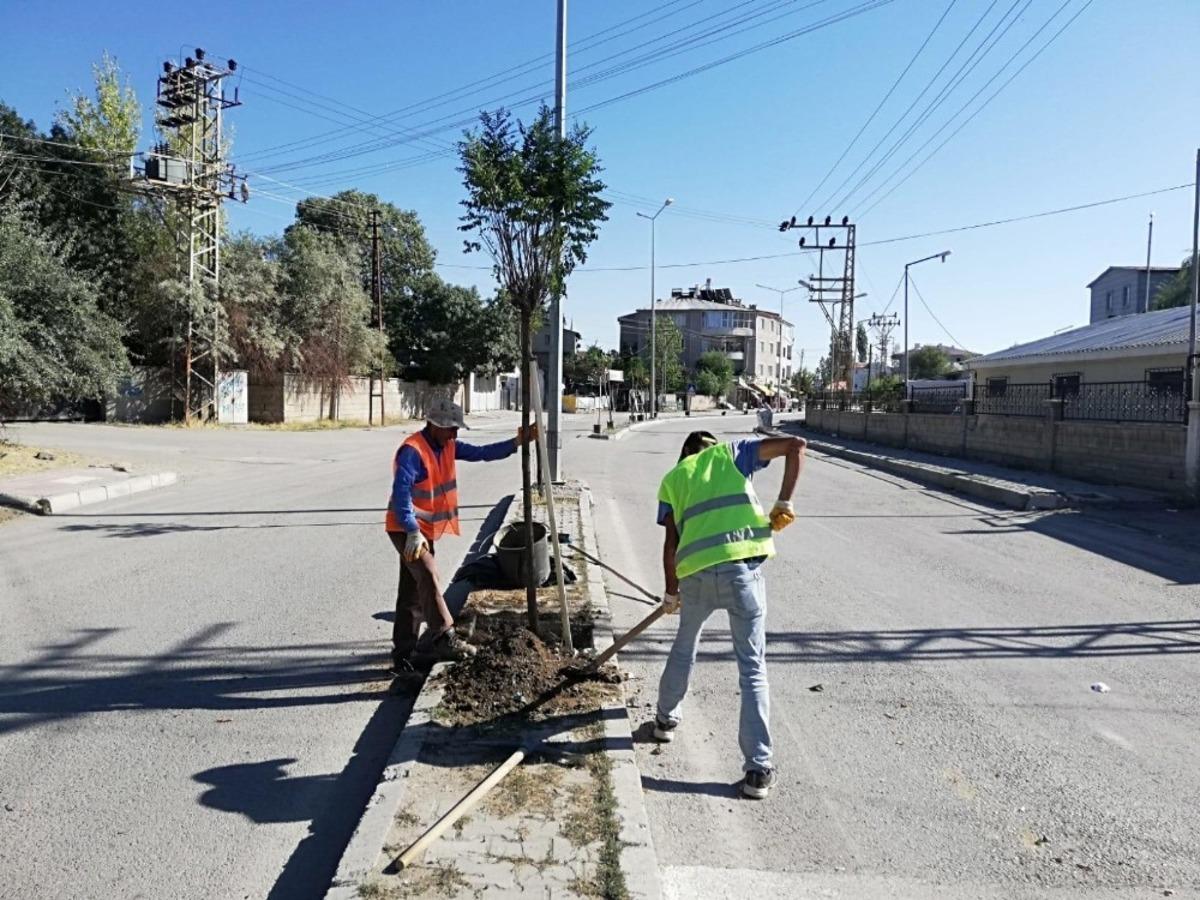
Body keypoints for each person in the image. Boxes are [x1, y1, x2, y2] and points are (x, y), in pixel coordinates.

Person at [652, 429, 806, 799]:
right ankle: (758, 769)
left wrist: (671, 593)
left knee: (684, 646)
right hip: (742, 574)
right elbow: (795, 446)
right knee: (752, 667)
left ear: (684, 454)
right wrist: (783, 502)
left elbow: (670, 543)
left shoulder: (673, 478)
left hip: (696, 575)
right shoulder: (733, 454)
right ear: (712, 448)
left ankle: (664, 721)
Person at [386, 398, 536, 670]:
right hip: (405, 529)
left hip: (421, 530)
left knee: (411, 593)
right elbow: (401, 495)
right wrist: (411, 531)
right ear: (434, 425)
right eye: (450, 428)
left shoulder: (447, 445)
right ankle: (444, 636)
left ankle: (403, 657)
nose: (455, 434)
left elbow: (482, 453)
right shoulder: (412, 451)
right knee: (429, 575)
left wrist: (517, 443)